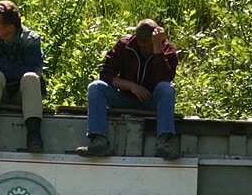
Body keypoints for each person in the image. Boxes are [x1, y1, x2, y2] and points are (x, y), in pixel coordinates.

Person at [76, 18, 179, 160]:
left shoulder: (167, 49)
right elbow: (106, 74)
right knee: (95, 87)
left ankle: (163, 144)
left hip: (152, 101)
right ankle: (99, 141)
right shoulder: (124, 45)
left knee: (167, 89)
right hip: (124, 98)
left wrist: (157, 50)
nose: (145, 48)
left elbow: (166, 78)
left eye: (149, 44)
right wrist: (131, 86)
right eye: (142, 44)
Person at [0, 0, 45, 153]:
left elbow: (35, 69)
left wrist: (4, 68)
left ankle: (34, 136)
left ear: (10, 27)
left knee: (31, 77)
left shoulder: (31, 40)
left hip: (24, 94)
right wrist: (9, 71)